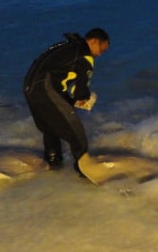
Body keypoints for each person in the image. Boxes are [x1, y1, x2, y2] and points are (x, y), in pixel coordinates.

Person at [23, 28, 111, 183]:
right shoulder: (84, 54)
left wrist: (68, 100)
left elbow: (52, 71)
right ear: (94, 41)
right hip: (45, 88)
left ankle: (54, 166)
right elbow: (80, 90)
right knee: (76, 132)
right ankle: (86, 174)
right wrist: (85, 99)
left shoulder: (66, 46)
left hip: (29, 87)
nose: (99, 54)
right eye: (101, 49)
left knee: (50, 129)